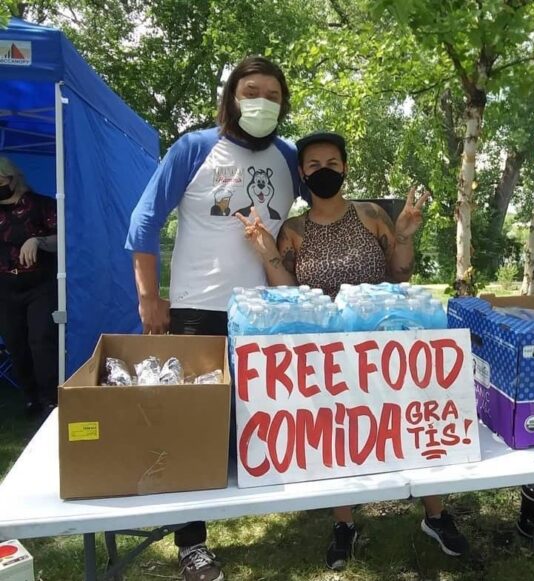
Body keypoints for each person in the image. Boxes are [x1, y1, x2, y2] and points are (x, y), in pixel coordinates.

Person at [238, 131, 469, 571]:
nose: (323, 171)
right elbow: (288, 295)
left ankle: (435, 514)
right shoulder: (294, 230)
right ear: (302, 175)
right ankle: (344, 522)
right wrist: (268, 253)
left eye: (331, 162)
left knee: (409, 422)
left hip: (382, 345)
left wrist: (403, 236)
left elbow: (400, 276)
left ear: (344, 167)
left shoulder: (371, 216)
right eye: (313, 165)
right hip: (327, 353)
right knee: (337, 434)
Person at [126, 56, 304, 581]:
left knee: (260, 415)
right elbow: (143, 222)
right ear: (231, 95)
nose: (262, 102)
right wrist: (147, 297)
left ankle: (271, 500)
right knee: (191, 424)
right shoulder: (195, 148)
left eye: (273, 95)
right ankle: (192, 544)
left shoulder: (290, 158)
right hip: (196, 311)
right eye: (252, 91)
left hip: (268, 314)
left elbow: (310, 219)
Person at [0, 157, 59, 419]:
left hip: (40, 286)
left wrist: (38, 241)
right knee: (16, 343)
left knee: (40, 341)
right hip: (6, 288)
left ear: (12, 178)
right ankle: (30, 398)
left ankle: (51, 399)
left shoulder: (42, 205)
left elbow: (63, 239)